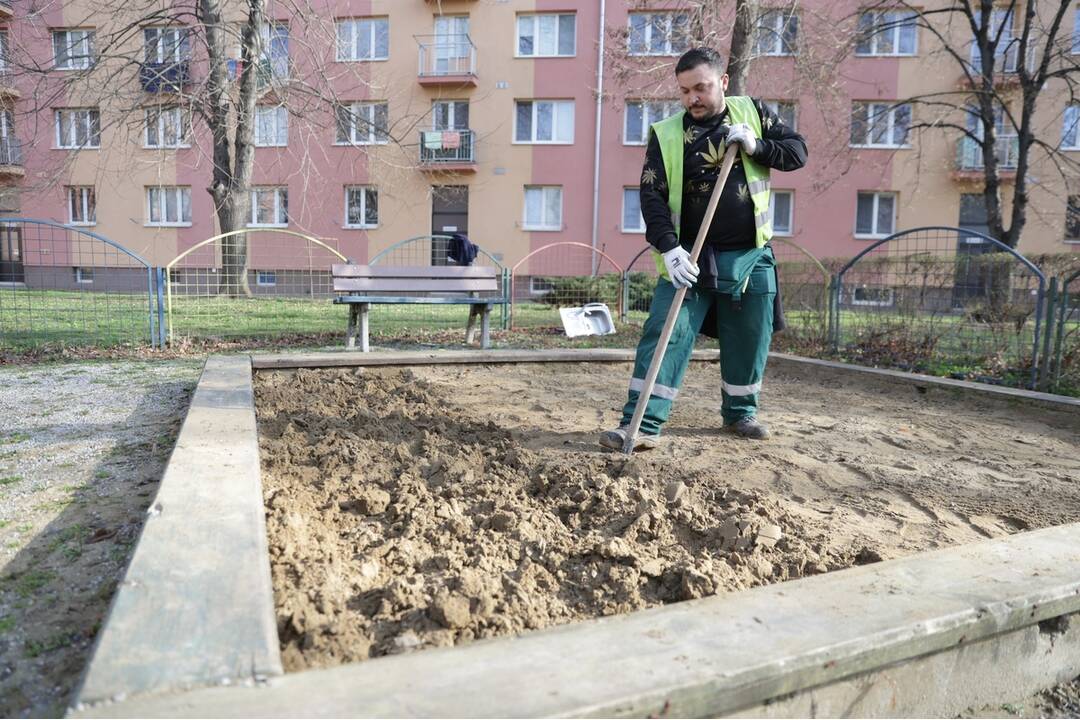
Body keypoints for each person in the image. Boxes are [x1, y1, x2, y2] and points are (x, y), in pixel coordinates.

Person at [599, 47, 807, 450]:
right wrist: (669, 248)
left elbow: (797, 153)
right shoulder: (667, 134)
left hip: (751, 255)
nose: (692, 98)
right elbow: (651, 198)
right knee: (666, 332)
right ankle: (640, 424)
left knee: (750, 336)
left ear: (723, 83)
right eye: (684, 91)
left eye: (701, 88)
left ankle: (741, 414)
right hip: (689, 258)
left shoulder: (754, 114)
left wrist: (756, 146)